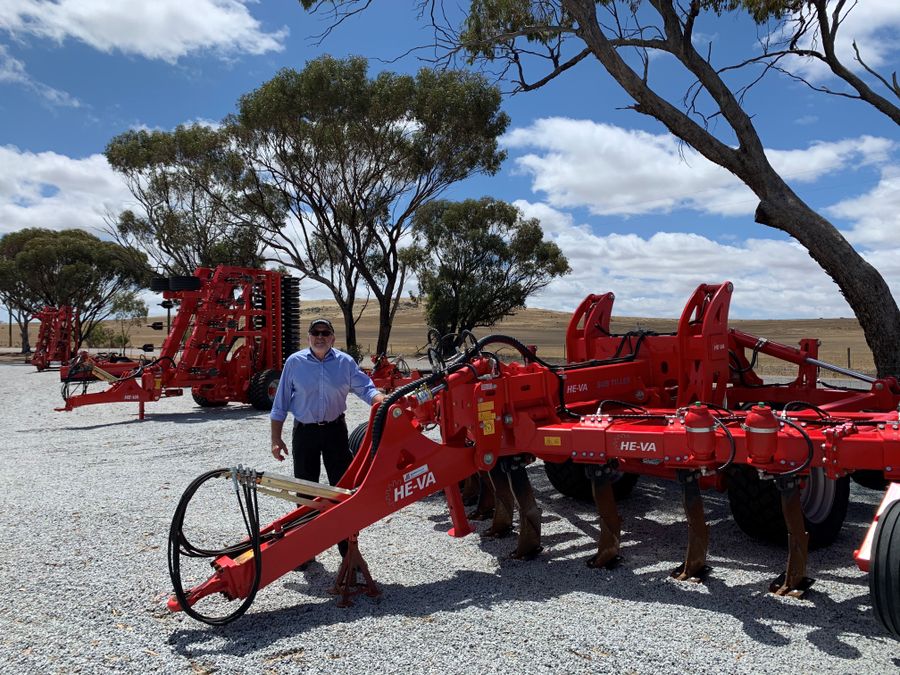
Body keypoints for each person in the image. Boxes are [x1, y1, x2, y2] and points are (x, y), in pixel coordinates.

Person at [270, 318, 385, 560]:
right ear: (308, 337)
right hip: (305, 433)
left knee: (341, 492)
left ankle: (348, 550)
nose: (320, 337)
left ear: (333, 338)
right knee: (304, 491)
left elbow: (365, 388)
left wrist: (379, 400)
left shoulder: (344, 362)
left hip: (335, 432)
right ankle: (305, 551)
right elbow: (280, 404)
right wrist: (275, 438)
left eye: (325, 333)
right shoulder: (295, 362)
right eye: (315, 332)